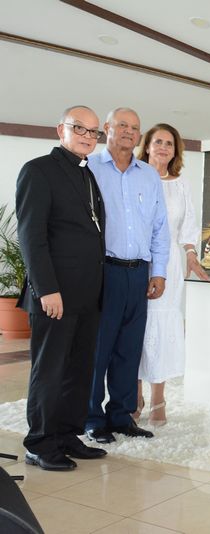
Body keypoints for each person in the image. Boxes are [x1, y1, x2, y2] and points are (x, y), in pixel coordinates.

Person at [16, 105, 107, 470]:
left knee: (79, 371)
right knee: (50, 371)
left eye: (93, 131)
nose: (87, 136)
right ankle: (40, 442)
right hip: (55, 294)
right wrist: (46, 289)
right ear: (61, 130)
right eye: (79, 128)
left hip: (87, 293)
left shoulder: (87, 174)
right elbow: (31, 236)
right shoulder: (38, 170)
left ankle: (67, 435)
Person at [85, 107, 170, 443]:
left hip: (139, 274)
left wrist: (158, 272)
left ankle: (121, 416)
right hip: (102, 272)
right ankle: (92, 419)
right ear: (107, 128)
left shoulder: (148, 175)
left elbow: (160, 228)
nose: (129, 132)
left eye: (135, 128)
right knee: (98, 349)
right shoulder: (89, 167)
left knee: (129, 349)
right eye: (122, 125)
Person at [134, 123, 209, 426]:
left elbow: (189, 224)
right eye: (158, 142)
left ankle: (158, 398)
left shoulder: (181, 185)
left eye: (169, 143)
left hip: (169, 266)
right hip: (137, 261)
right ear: (147, 146)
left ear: (175, 150)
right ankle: (134, 396)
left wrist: (191, 253)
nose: (163, 148)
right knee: (135, 328)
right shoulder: (134, 178)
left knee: (161, 329)